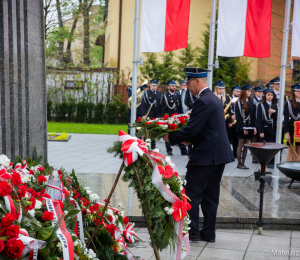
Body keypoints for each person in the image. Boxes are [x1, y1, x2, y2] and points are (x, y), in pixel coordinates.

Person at [162, 67, 234, 243]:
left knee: (192, 194)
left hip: (205, 157)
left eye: (188, 82)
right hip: (218, 155)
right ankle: (208, 233)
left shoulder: (203, 101)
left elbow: (192, 129)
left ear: (197, 82)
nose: (187, 86)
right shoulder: (214, 99)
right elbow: (208, 129)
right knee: (210, 196)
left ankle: (193, 232)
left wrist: (170, 137)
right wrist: (191, 139)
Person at [161, 80, 188, 156]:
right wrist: (164, 118)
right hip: (169, 117)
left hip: (177, 118)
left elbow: (180, 107)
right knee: (168, 134)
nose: (174, 87)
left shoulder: (177, 95)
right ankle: (169, 150)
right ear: (168, 87)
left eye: (175, 86)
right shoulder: (165, 96)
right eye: (172, 86)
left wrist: (181, 116)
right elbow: (163, 108)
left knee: (179, 133)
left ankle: (183, 150)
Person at [235, 85, 257, 169]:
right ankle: (239, 163)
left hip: (250, 126)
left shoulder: (251, 102)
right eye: (247, 91)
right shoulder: (239, 102)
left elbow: (253, 116)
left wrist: (254, 127)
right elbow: (239, 117)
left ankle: (243, 163)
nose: (249, 93)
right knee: (241, 144)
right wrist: (243, 128)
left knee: (246, 145)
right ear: (244, 92)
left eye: (250, 91)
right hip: (242, 127)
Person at [256, 88, 277, 172]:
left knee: (270, 149)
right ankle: (261, 166)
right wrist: (260, 131)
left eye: (271, 95)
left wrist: (274, 112)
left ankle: (266, 166)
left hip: (272, 130)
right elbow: (259, 119)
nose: (270, 97)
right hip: (264, 130)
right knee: (263, 149)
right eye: (268, 95)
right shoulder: (261, 105)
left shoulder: (274, 105)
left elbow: (277, 118)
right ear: (265, 96)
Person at [141, 79, 162, 149]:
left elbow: (160, 105)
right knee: (147, 130)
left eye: (156, 86)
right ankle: (146, 144)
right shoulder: (146, 93)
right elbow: (143, 104)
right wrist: (143, 115)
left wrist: (161, 115)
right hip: (149, 114)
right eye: (153, 85)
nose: (154, 87)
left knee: (154, 131)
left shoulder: (159, 93)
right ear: (150, 85)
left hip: (156, 114)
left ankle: (153, 145)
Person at [284, 84, 300, 161]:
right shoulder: (288, 103)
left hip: (299, 130)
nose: (299, 92)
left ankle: (296, 170)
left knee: (299, 151)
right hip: (292, 129)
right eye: (297, 91)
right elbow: (286, 119)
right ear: (294, 92)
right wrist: (287, 133)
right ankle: (288, 170)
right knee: (291, 151)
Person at [251, 86, 264, 163]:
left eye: (261, 92)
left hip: (261, 123)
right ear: (255, 92)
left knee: (260, 142)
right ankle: (254, 157)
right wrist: (254, 126)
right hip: (255, 123)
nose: (260, 93)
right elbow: (252, 114)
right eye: (259, 92)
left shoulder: (263, 100)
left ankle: (260, 157)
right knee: (254, 142)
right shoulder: (253, 101)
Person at [227, 85, 241, 158]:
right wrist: (231, 115)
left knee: (236, 139)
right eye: (237, 91)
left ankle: (235, 153)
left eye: (239, 92)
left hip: (237, 122)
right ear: (233, 92)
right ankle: (228, 153)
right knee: (229, 138)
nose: (239, 93)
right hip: (230, 121)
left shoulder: (240, 100)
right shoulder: (229, 99)